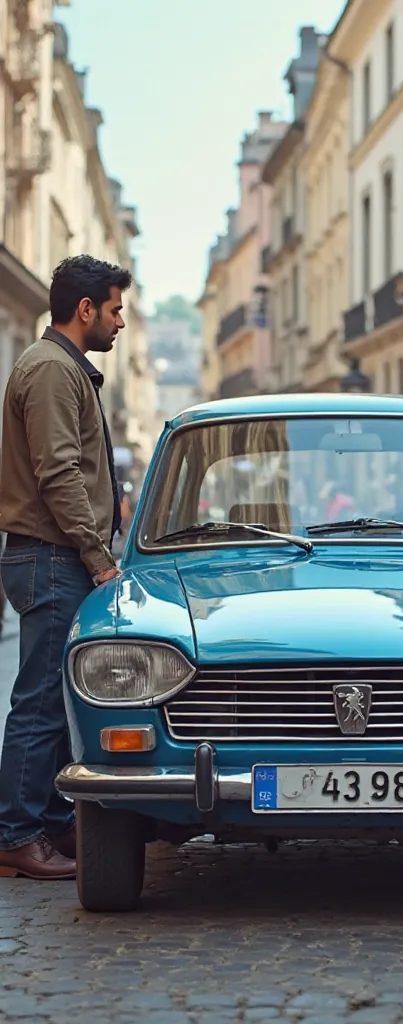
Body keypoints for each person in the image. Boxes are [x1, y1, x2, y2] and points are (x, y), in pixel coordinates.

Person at [0, 255, 131, 880]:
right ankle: (16, 835)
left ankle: (49, 824)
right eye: (113, 309)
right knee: (42, 703)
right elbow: (59, 473)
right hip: (51, 556)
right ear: (85, 311)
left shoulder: (63, 367)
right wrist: (99, 557)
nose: (120, 321)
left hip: (55, 555)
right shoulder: (53, 371)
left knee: (58, 697)